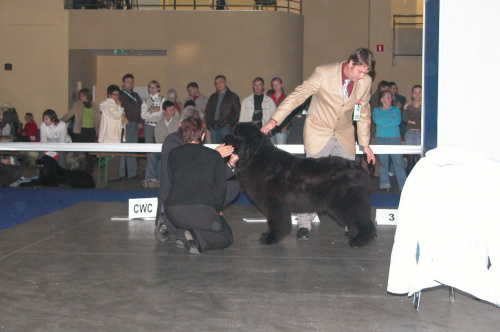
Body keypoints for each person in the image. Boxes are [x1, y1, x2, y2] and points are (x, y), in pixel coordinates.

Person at [261, 47, 376, 240]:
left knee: (348, 182)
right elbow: (298, 96)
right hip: (318, 131)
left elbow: (363, 112)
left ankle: (352, 223)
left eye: (366, 73)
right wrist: (275, 120)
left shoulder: (366, 82)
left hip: (344, 133)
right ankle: (304, 225)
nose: (362, 76)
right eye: (360, 71)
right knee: (309, 182)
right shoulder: (323, 73)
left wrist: (364, 144)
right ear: (350, 64)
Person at [155, 106, 240, 242]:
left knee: (233, 187)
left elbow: (209, 174)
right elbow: (168, 179)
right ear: (182, 125)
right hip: (177, 197)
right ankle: (168, 223)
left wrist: (229, 164)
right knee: (223, 235)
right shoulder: (172, 141)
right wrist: (213, 155)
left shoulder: (198, 142)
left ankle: (191, 226)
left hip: (194, 197)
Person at [372, 90, 407, 192]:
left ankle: (403, 185)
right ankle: (384, 184)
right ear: (382, 99)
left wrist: (384, 120)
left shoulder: (396, 109)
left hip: (394, 138)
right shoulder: (376, 110)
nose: (390, 99)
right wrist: (389, 119)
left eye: (390, 97)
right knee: (383, 163)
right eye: (387, 97)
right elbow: (377, 120)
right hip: (380, 139)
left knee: (398, 163)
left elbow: (397, 121)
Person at [61, 88, 100, 173]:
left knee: (90, 152)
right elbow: (69, 114)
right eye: (80, 96)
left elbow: (97, 119)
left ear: (87, 96)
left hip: (91, 130)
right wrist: (60, 121)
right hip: (80, 131)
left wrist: (99, 131)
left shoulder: (94, 105)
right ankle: (80, 169)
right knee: (81, 152)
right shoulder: (77, 105)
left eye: (83, 96)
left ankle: (89, 169)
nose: (81, 97)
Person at [142, 100, 180, 188]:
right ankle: (150, 178)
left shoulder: (178, 122)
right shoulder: (159, 123)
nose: (172, 112)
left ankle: (159, 180)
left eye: (173, 110)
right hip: (163, 148)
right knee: (152, 156)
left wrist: (168, 141)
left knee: (162, 160)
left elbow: (177, 138)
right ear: (164, 111)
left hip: (174, 149)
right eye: (170, 110)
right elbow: (158, 139)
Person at [99, 84, 125, 182]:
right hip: (111, 135)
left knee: (116, 157)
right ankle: (113, 176)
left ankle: (114, 175)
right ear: (109, 95)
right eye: (114, 94)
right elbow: (117, 115)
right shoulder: (109, 105)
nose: (117, 96)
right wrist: (119, 106)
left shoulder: (111, 105)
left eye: (118, 94)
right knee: (113, 157)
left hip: (114, 133)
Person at [119, 73, 143, 179]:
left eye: (131, 82)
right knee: (124, 148)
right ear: (123, 83)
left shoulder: (136, 96)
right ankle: (122, 173)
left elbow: (141, 110)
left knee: (133, 148)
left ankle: (132, 173)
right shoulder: (120, 95)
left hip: (135, 124)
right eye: (128, 82)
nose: (130, 84)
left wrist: (141, 121)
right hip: (125, 125)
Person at [205, 75, 241, 144]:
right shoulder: (212, 97)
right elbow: (207, 111)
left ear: (225, 83)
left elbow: (238, 112)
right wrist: (209, 124)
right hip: (213, 127)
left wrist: (230, 124)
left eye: (220, 82)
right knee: (216, 150)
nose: (218, 85)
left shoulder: (233, 97)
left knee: (227, 148)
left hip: (226, 127)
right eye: (216, 83)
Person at [402, 84, 422, 174]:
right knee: (410, 161)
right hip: (409, 134)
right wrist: (405, 108)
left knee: (420, 160)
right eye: (415, 92)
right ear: (412, 94)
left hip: (420, 134)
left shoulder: (425, 106)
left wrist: (415, 122)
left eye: (420, 92)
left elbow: (424, 121)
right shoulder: (408, 106)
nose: (417, 95)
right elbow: (405, 120)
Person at [268, 77, 290, 144]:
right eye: (274, 85)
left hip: (281, 128)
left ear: (281, 85)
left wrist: (285, 126)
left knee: (281, 150)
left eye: (277, 84)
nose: (276, 87)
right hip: (270, 128)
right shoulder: (268, 99)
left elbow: (289, 114)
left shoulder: (287, 99)